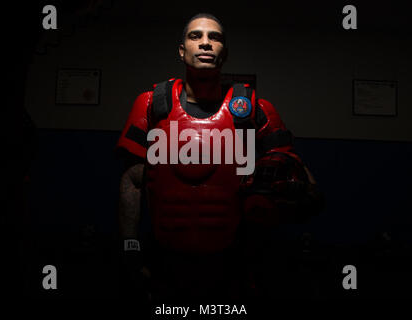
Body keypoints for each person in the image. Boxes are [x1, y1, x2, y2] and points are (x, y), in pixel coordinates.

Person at [115, 13, 324, 304]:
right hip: (163, 255)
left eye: (215, 38)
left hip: (234, 259)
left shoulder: (254, 109)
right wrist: (129, 246)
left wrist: (304, 194)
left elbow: (296, 172)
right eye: (195, 36)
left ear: (224, 52)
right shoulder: (152, 104)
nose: (205, 43)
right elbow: (133, 182)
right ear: (181, 50)